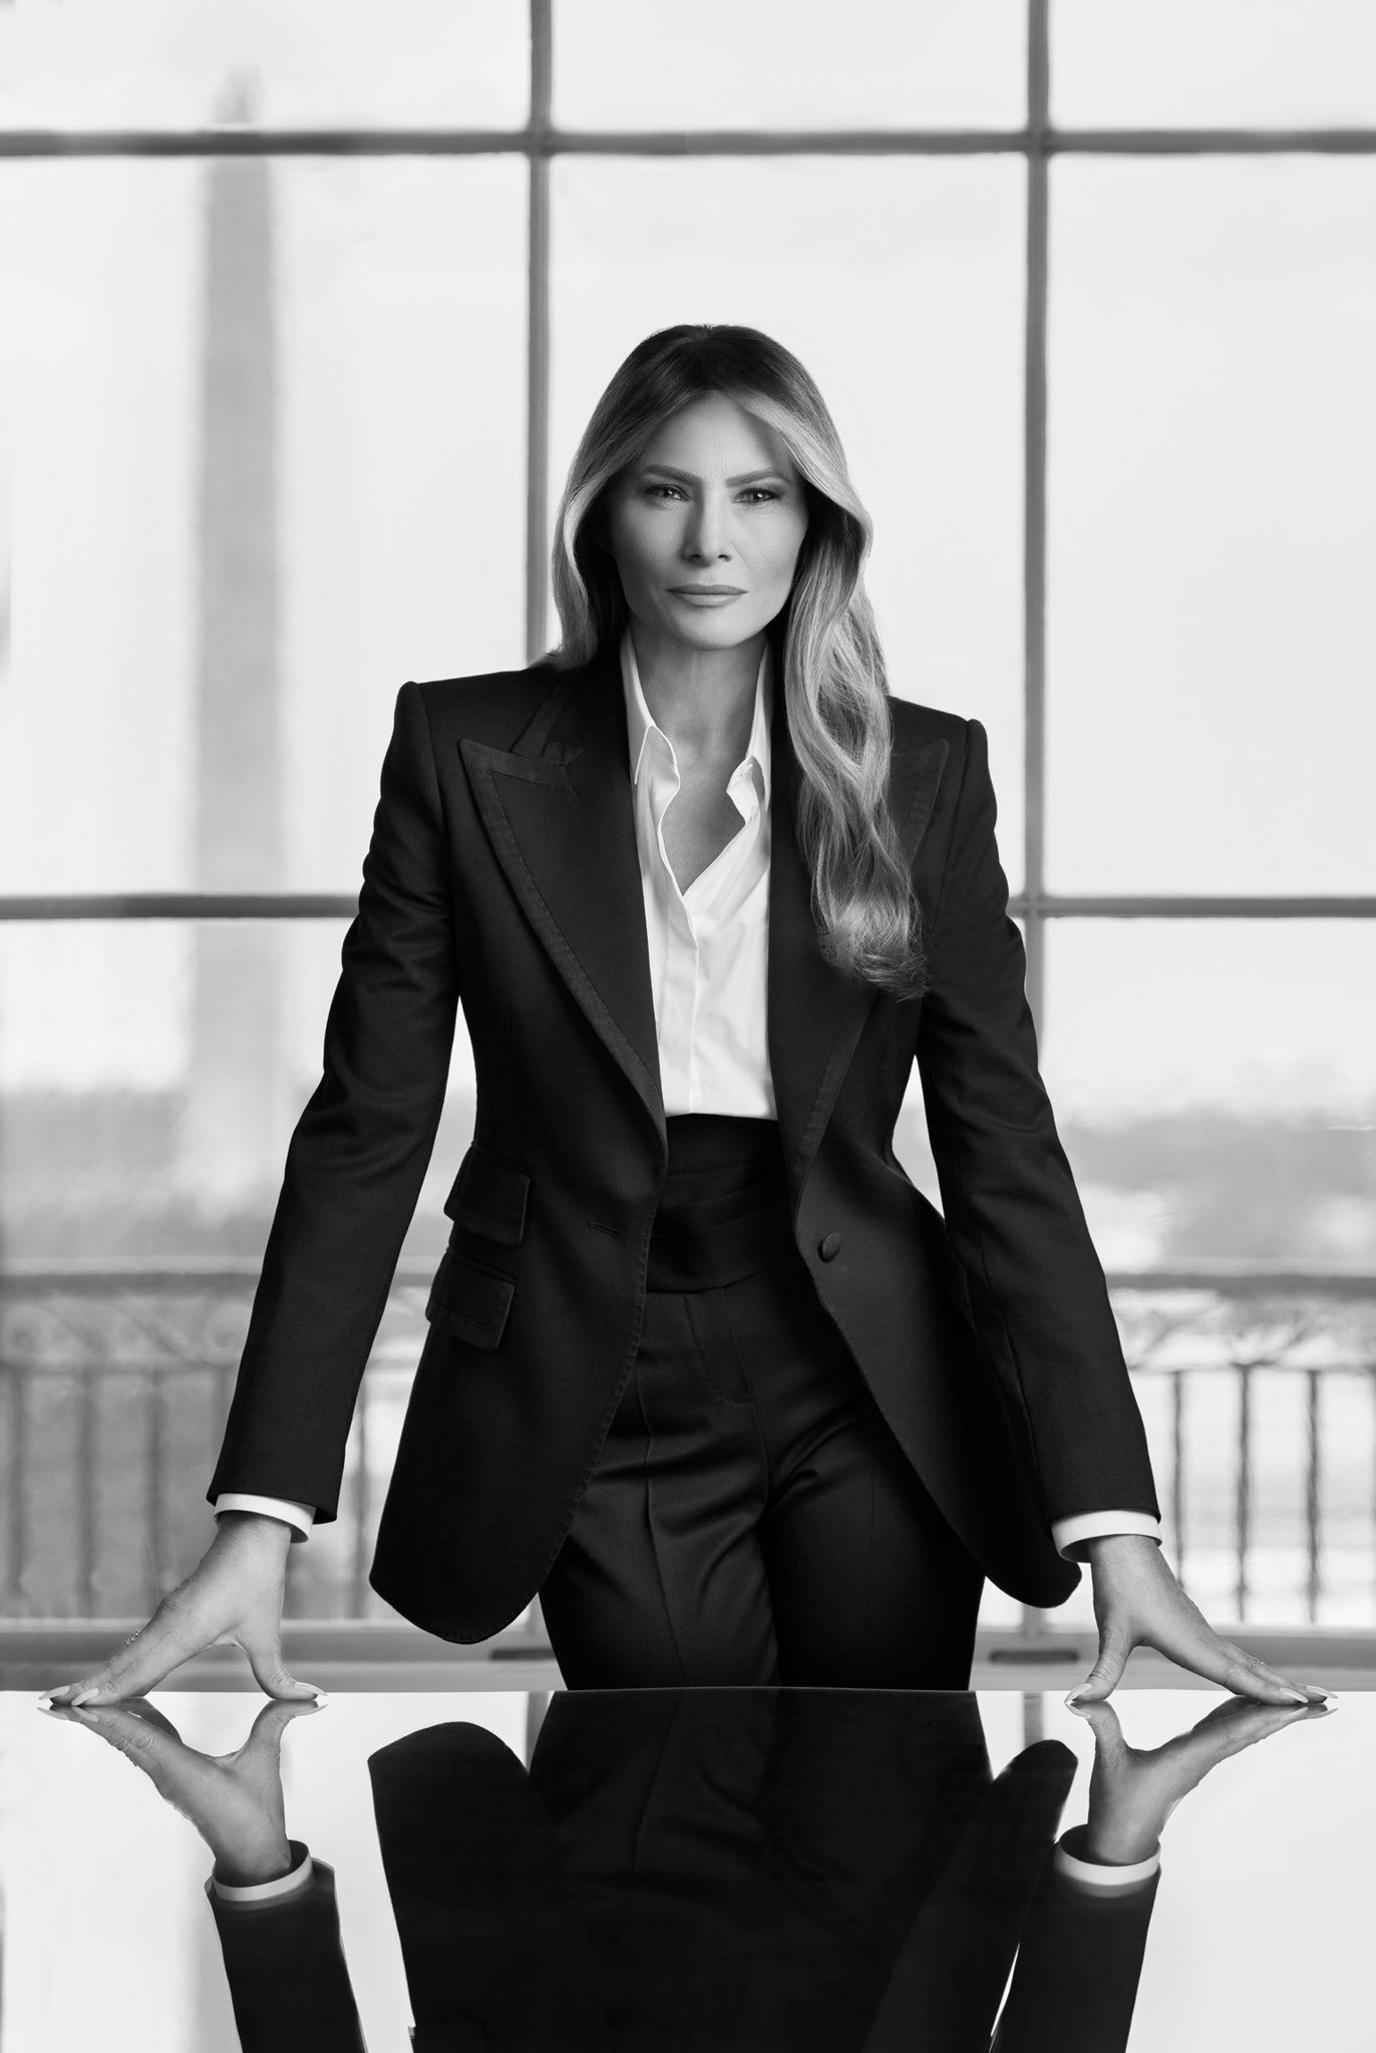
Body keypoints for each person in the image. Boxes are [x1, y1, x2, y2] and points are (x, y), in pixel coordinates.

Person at [41, 324, 1329, 1704]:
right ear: (604, 518)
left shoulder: (921, 775)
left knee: (879, 1827)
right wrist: (262, 1516)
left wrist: (1116, 1528)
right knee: (663, 1819)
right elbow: (367, 1133)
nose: (712, 539)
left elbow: (1005, 1146)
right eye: (668, 491)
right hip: (600, 1363)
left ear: (813, 525)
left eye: (759, 494)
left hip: (869, 1371)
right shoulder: (462, 754)